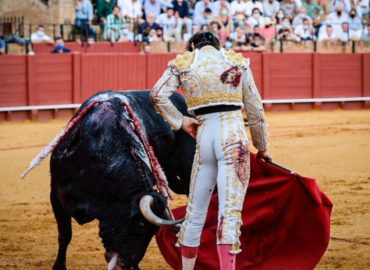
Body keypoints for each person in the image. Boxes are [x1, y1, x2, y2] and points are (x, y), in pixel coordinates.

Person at [151, 31, 271, 270]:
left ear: (193, 46)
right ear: (218, 44)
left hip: (204, 137)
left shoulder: (184, 63)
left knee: (195, 211)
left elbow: (157, 95)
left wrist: (182, 121)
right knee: (229, 213)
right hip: (233, 136)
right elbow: (255, 110)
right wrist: (262, 147)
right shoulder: (236, 62)